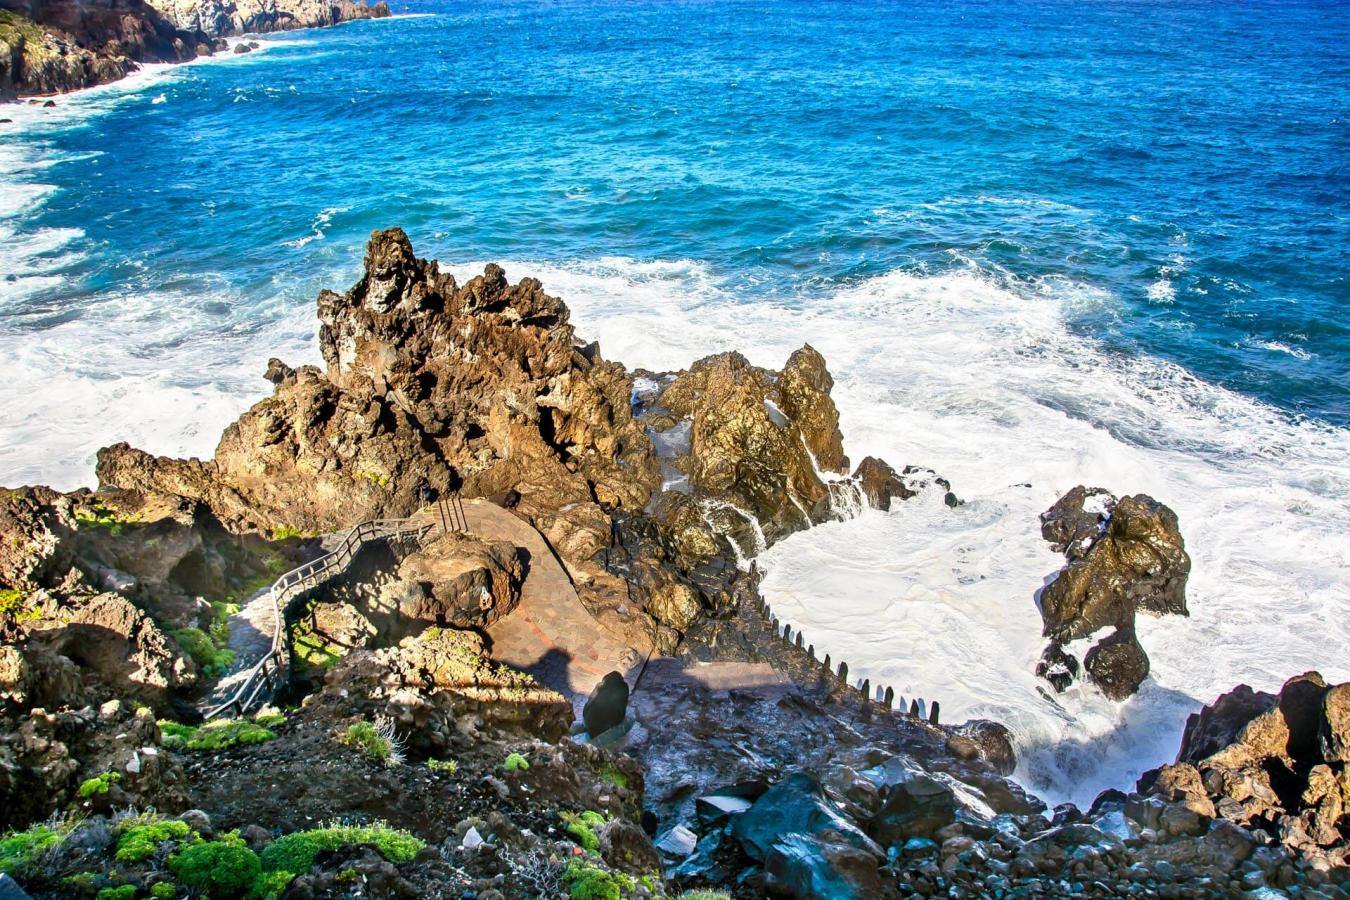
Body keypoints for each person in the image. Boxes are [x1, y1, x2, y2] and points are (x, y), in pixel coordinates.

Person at [583, 671, 629, 737]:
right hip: (604, 728)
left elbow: (589, 701)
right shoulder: (624, 687)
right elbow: (622, 711)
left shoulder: (600, 685)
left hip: (588, 722)